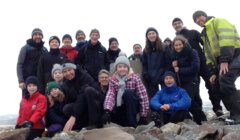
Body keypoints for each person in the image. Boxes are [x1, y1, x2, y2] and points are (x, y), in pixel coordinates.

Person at [193, 10, 240, 123]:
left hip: (235, 55)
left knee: (225, 79)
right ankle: (233, 113)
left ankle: (238, 114)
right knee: (216, 84)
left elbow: (227, 39)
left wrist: (224, 60)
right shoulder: (204, 34)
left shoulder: (218, 21)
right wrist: (213, 72)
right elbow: (208, 55)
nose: (199, 20)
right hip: (223, 61)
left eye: (200, 17)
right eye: (196, 20)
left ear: (205, 16)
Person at [172, 17, 223, 116]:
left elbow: (206, 43)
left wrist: (210, 56)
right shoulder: (175, 40)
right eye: (175, 24)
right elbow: (175, 53)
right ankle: (199, 114)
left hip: (203, 63)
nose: (177, 25)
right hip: (189, 66)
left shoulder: (193, 32)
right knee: (195, 90)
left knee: (211, 84)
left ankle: (217, 109)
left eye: (178, 23)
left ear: (182, 23)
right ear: (173, 27)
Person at [102, 55, 149, 127]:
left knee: (128, 93)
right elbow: (110, 95)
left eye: (124, 67)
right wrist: (107, 110)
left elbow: (143, 96)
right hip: (119, 108)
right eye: (119, 67)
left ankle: (132, 124)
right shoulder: (113, 80)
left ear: (128, 68)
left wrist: (143, 115)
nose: (122, 69)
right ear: (116, 68)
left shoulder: (135, 78)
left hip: (132, 107)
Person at [171, 35, 207, 124]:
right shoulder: (175, 56)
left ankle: (201, 119)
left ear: (184, 44)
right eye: (176, 45)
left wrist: (180, 70)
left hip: (192, 81)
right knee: (190, 102)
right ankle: (200, 120)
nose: (178, 47)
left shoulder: (192, 52)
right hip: (181, 83)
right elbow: (175, 71)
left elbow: (195, 67)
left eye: (180, 44)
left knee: (186, 101)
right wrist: (174, 66)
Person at [61, 62, 102, 131]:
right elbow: (69, 101)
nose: (68, 73)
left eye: (69, 70)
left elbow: (82, 96)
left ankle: (94, 123)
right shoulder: (65, 84)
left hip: (94, 105)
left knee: (88, 90)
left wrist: (73, 116)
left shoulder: (84, 76)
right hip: (81, 107)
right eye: (65, 71)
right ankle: (80, 125)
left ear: (74, 69)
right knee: (66, 108)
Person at [17, 28, 48, 97]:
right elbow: (19, 64)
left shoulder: (45, 49)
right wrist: (21, 80)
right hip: (27, 81)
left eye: (40, 34)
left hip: (41, 81)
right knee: (27, 101)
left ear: (42, 37)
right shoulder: (25, 48)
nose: (38, 36)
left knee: (41, 101)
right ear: (32, 36)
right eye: (35, 34)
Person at [15, 76, 47, 140]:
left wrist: (31, 122)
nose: (32, 88)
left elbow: (39, 111)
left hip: (37, 127)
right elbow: (21, 114)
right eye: (29, 86)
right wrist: (18, 124)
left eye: (34, 85)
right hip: (25, 127)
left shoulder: (41, 98)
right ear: (26, 87)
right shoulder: (23, 99)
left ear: (37, 86)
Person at [141, 27, 166, 98]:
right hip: (150, 77)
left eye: (153, 33)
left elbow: (168, 62)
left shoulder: (164, 47)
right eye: (149, 34)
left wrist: (164, 74)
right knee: (153, 98)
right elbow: (144, 64)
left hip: (163, 76)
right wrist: (146, 74)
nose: (151, 35)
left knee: (166, 97)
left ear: (157, 35)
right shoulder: (146, 50)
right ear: (147, 36)